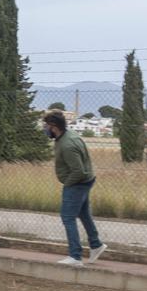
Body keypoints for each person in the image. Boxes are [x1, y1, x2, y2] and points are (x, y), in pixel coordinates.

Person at [45, 111, 105, 266]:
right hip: (85, 181)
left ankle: (75, 256)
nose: (45, 128)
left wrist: (68, 184)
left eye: (46, 125)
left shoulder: (67, 145)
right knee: (83, 214)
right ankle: (96, 245)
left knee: (67, 217)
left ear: (54, 126)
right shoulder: (67, 136)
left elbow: (78, 171)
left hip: (77, 183)